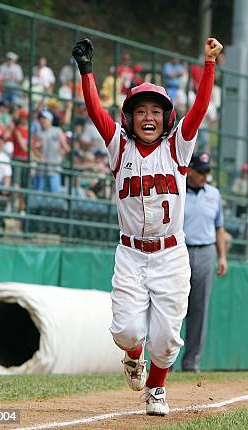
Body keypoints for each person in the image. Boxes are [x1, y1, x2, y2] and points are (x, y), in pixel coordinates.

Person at [72, 36, 223, 416]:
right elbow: (94, 113)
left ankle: (156, 389)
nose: (149, 117)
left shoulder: (178, 147)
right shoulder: (118, 147)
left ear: (167, 117)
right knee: (126, 332)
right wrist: (86, 72)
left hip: (171, 253)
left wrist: (209, 64)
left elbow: (201, 108)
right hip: (131, 252)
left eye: (156, 110)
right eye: (141, 111)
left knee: (167, 338)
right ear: (129, 118)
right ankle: (133, 356)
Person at [182, 152, 227, 372]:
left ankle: (191, 363)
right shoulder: (178, 189)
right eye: (201, 171)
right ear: (190, 169)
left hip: (206, 251)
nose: (204, 175)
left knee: (199, 309)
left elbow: (219, 227)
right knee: (172, 306)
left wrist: (222, 256)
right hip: (180, 251)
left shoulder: (214, 194)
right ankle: (164, 361)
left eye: (207, 171)